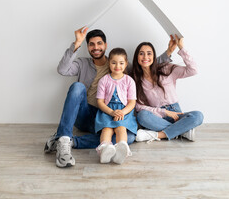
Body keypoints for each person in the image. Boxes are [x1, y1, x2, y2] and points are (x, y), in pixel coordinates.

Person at [44, 26, 175, 168]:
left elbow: (145, 64)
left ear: (105, 45)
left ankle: (72, 142)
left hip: (112, 116)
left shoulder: (117, 63)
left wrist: (169, 52)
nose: (96, 47)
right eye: (91, 44)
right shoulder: (82, 63)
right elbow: (62, 69)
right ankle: (63, 139)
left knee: (129, 137)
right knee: (78, 87)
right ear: (87, 47)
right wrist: (76, 45)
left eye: (99, 43)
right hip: (87, 114)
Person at [131, 35, 203, 143]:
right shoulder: (135, 80)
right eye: (141, 54)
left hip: (176, 114)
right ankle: (182, 131)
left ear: (154, 56)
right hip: (157, 115)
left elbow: (193, 70)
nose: (145, 57)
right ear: (137, 57)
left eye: (149, 53)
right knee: (142, 116)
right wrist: (164, 112)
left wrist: (181, 48)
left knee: (198, 116)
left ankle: (159, 134)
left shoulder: (166, 68)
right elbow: (138, 106)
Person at [95, 48, 137, 164]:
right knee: (107, 129)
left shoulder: (129, 81)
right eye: (114, 63)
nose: (117, 66)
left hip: (124, 111)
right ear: (109, 63)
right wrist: (111, 112)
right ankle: (104, 149)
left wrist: (122, 112)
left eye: (121, 63)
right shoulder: (104, 80)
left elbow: (132, 102)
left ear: (126, 64)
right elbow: (100, 102)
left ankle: (121, 149)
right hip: (107, 111)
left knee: (121, 128)